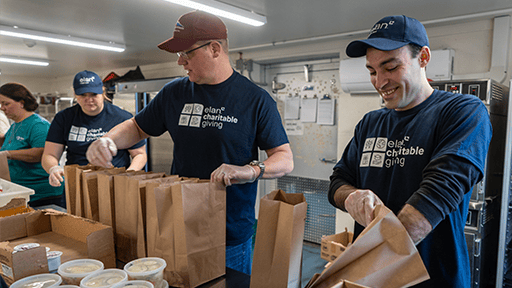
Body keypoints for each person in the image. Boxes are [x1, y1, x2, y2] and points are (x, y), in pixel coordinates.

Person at [85, 10, 293, 275]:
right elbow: (137, 127)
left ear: (215, 49)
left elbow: (284, 158)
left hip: (228, 231)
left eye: (188, 53)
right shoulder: (175, 92)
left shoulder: (255, 99)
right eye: (178, 55)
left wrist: (250, 170)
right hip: (178, 222)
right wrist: (108, 140)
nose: (181, 62)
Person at [328, 15, 492, 287]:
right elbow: (337, 181)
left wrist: (367, 267)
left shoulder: (462, 111)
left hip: (433, 278)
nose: (380, 82)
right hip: (369, 278)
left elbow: (438, 192)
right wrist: (351, 197)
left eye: (390, 67)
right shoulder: (370, 122)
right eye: (371, 71)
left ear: (424, 57)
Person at [42, 70, 147, 187]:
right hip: (77, 184)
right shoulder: (64, 118)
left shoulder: (122, 117)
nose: (89, 99)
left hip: (114, 183)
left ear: (102, 92)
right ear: (75, 94)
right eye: (83, 95)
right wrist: (53, 168)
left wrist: (128, 174)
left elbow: (140, 155)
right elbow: (50, 154)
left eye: (93, 94)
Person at [0, 83, 65, 208]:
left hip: (42, 195)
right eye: (1, 104)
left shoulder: (38, 125)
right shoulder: (15, 125)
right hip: (23, 193)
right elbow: (10, 142)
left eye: (6, 104)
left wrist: (8, 154)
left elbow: (40, 153)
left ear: (21, 103)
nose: (2, 108)